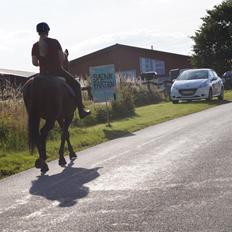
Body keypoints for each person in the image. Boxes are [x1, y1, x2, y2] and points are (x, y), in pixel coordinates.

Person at [31, 22, 90, 119]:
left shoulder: (35, 46)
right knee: (76, 84)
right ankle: (81, 110)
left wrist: (41, 62)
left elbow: (34, 63)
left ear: (38, 32)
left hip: (42, 75)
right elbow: (62, 58)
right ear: (48, 31)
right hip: (57, 71)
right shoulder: (54, 42)